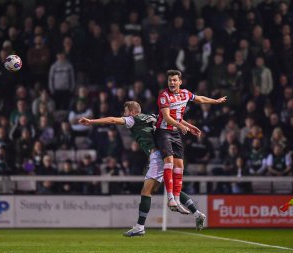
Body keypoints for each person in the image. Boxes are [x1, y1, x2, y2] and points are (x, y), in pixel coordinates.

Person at [78, 101, 206, 237]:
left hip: (157, 156)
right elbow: (174, 119)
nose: (124, 114)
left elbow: (112, 120)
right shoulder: (152, 116)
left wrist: (91, 121)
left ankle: (140, 226)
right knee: (171, 187)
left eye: (126, 111)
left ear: (133, 111)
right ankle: (197, 214)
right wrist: (190, 127)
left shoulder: (133, 119)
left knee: (146, 191)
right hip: (165, 154)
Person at [156, 69, 226, 211]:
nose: (172, 82)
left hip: (175, 132)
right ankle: (170, 198)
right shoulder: (164, 96)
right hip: (163, 132)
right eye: (170, 80)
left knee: (180, 166)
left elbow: (199, 99)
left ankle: (176, 199)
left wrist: (215, 101)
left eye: (175, 80)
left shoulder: (185, 94)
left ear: (180, 82)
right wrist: (182, 126)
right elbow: (167, 118)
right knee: (169, 162)